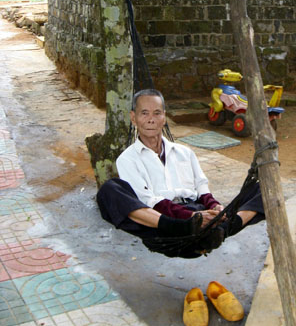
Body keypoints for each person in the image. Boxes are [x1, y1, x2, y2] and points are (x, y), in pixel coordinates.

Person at [96, 88, 265, 257]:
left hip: (197, 213)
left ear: (164, 117)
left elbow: (201, 187)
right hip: (164, 225)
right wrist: (191, 218)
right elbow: (148, 200)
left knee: (262, 187)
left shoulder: (184, 152)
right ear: (134, 117)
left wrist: (214, 207)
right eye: (144, 113)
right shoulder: (127, 159)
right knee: (109, 190)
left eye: (156, 113)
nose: (151, 120)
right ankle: (210, 230)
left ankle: (220, 228)